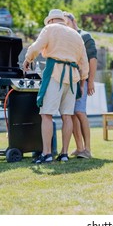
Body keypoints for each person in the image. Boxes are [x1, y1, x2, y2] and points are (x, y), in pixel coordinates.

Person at [23, 9, 89, 164]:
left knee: (46, 114)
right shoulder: (76, 35)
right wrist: (83, 81)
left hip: (55, 74)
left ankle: (47, 154)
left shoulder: (50, 29)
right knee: (67, 116)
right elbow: (84, 63)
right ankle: (64, 153)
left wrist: (27, 59)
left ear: (51, 20)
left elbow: (35, 47)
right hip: (72, 78)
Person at [63, 11, 98, 159]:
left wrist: (90, 81)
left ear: (73, 21)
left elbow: (93, 60)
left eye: (66, 23)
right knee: (72, 114)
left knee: (80, 112)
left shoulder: (85, 36)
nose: (65, 27)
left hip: (82, 81)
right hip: (70, 81)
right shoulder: (66, 39)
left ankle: (87, 149)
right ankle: (79, 148)